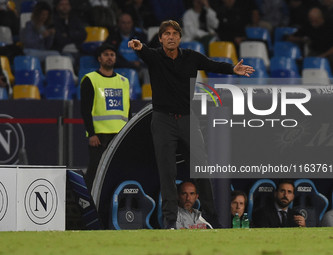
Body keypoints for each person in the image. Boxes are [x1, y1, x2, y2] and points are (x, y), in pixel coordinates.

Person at [128, 20, 254, 229]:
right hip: (162, 120)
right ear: (160, 39)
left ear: (179, 37)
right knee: (167, 172)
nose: (170, 37)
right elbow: (145, 52)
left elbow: (213, 65)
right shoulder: (155, 56)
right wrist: (139, 47)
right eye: (166, 34)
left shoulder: (191, 57)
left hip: (187, 118)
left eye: (174, 33)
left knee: (202, 168)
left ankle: (211, 215)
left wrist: (233, 69)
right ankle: (170, 220)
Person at [80, 43, 130, 192]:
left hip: (119, 134)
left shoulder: (124, 81)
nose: (110, 57)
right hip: (100, 136)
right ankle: (87, 201)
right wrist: (92, 133)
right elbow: (85, 109)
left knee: (119, 170)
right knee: (95, 170)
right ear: (99, 59)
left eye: (112, 55)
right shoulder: (90, 79)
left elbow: (127, 109)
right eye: (106, 54)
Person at [52, 0, 87, 65]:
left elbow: (83, 35)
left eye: (67, 4)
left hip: (78, 50)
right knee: (70, 61)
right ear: (57, 7)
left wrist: (68, 35)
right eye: (62, 5)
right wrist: (75, 34)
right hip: (63, 51)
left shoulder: (75, 19)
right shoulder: (53, 21)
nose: (64, 7)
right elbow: (59, 40)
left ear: (70, 7)